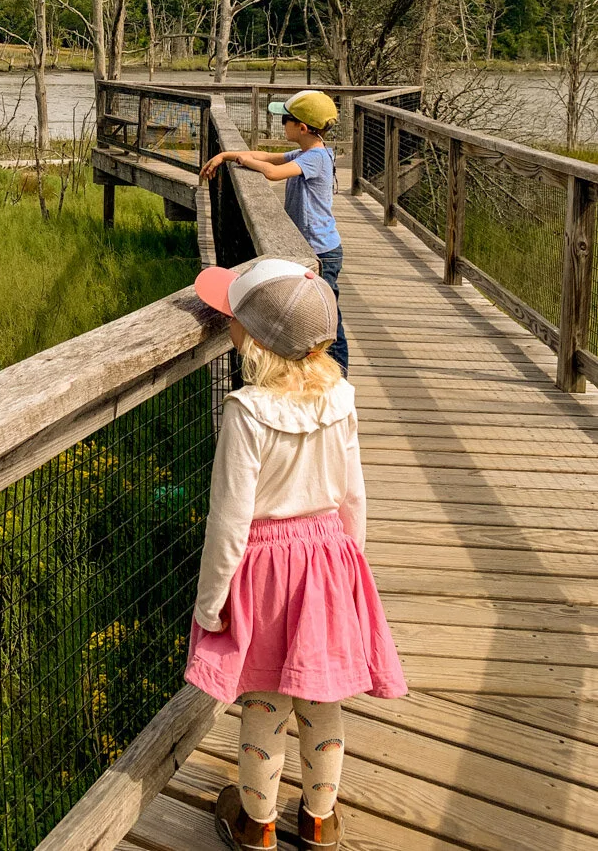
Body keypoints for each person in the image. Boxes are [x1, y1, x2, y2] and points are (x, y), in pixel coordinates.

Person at [184, 257, 406, 850]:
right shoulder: (342, 400)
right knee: (321, 696)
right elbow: (353, 495)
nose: (227, 323)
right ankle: (318, 820)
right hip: (330, 563)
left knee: (263, 700)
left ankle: (256, 829)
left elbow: (228, 520)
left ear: (252, 340)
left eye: (232, 317)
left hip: (264, 570)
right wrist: (352, 573)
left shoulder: (248, 412)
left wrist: (211, 602)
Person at [200, 90, 349, 375]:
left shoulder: (315, 158)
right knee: (321, 317)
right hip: (312, 248)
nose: (282, 124)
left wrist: (243, 162)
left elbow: (272, 171)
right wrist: (227, 154)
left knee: (329, 322)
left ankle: (339, 377)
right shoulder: (310, 151)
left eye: (285, 119)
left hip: (320, 251)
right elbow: (266, 155)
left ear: (302, 128)